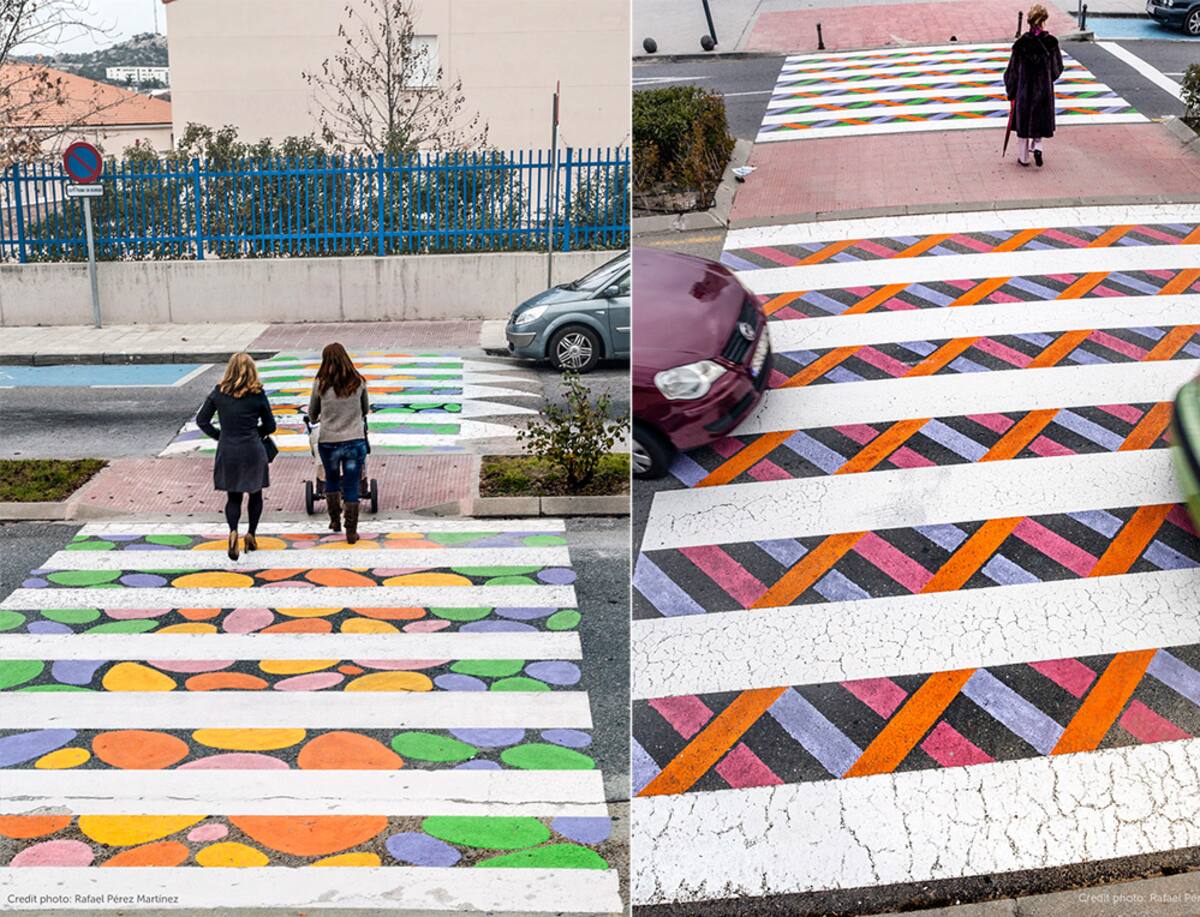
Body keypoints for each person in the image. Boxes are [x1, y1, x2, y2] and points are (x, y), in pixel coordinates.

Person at [196, 353, 276, 560]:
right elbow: (271, 426)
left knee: (233, 496)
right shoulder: (257, 395)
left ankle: (233, 531)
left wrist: (220, 436)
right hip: (252, 449)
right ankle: (251, 534)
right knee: (255, 493)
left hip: (228, 449)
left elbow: (202, 420)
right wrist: (256, 432)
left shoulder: (218, 393)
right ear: (252, 371)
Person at [308, 342, 371, 544]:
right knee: (352, 484)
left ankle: (335, 520)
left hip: (329, 441)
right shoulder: (358, 381)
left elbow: (312, 413)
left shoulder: (321, 384)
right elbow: (365, 409)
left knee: (332, 480)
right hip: (354, 441)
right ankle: (351, 531)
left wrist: (322, 417)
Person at [1004, 4, 1064, 168]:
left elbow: (1011, 72)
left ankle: (1023, 158)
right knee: (1039, 121)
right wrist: (1047, 79)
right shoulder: (1051, 43)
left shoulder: (1021, 44)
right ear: (1044, 22)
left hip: (1024, 92)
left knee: (1023, 127)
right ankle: (1037, 147)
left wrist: (1011, 91)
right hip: (1042, 92)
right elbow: (1058, 69)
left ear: (1029, 22)